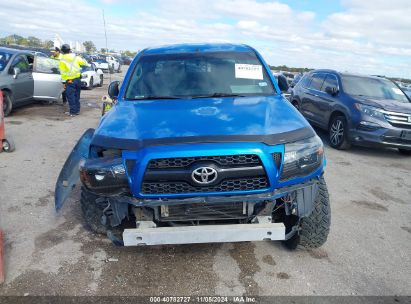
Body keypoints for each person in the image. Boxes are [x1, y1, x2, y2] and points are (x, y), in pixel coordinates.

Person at [58, 44, 89, 116]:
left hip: (70, 81)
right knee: (76, 96)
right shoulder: (76, 57)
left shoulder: (62, 60)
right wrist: (81, 58)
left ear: (62, 51)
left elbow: (62, 72)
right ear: (70, 50)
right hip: (78, 80)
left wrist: (63, 82)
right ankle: (77, 110)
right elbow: (86, 64)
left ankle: (73, 112)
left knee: (70, 96)